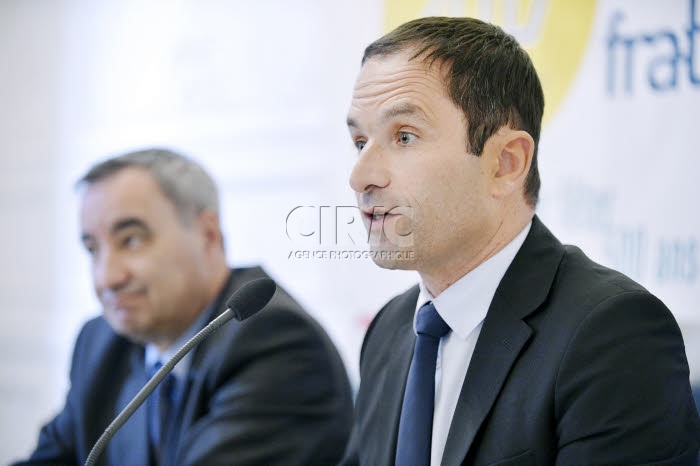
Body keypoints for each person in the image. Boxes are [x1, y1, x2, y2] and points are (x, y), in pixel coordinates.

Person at [341, 16, 700, 466]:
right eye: (359, 142)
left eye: (404, 136)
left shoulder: (611, 334)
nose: (360, 177)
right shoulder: (389, 332)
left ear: (506, 164)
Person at [14, 148, 354, 466]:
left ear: (208, 235)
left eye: (131, 240)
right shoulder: (101, 342)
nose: (107, 277)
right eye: (93, 250)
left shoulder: (278, 344)